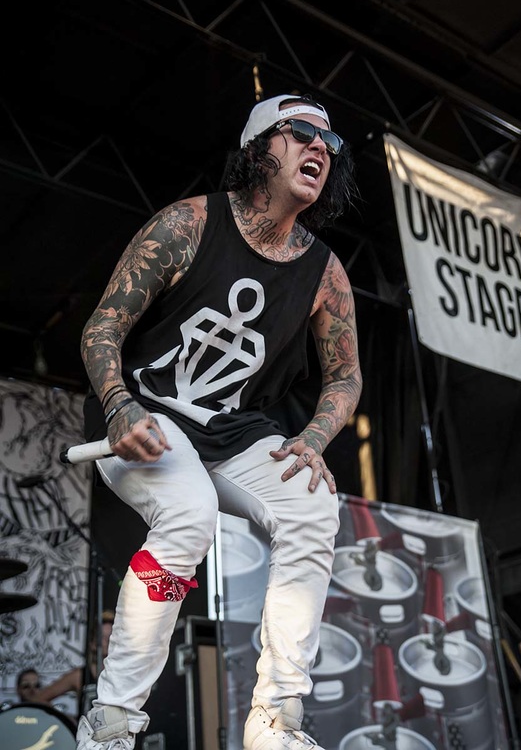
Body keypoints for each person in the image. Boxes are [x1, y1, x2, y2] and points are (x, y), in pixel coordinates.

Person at [76, 92, 363, 750]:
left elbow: (346, 376)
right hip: (144, 414)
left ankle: (276, 719)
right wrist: (118, 405)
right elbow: (102, 327)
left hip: (232, 430)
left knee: (313, 505)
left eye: (329, 143)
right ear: (259, 149)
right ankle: (113, 721)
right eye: (300, 132)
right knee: (188, 511)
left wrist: (314, 438)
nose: (319, 147)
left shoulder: (325, 273)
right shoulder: (188, 224)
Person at [24, 610, 115, 718]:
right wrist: (67, 719)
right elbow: (38, 699)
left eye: (111, 637)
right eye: (103, 637)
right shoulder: (79, 676)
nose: (108, 641)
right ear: (93, 642)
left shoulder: (123, 673)